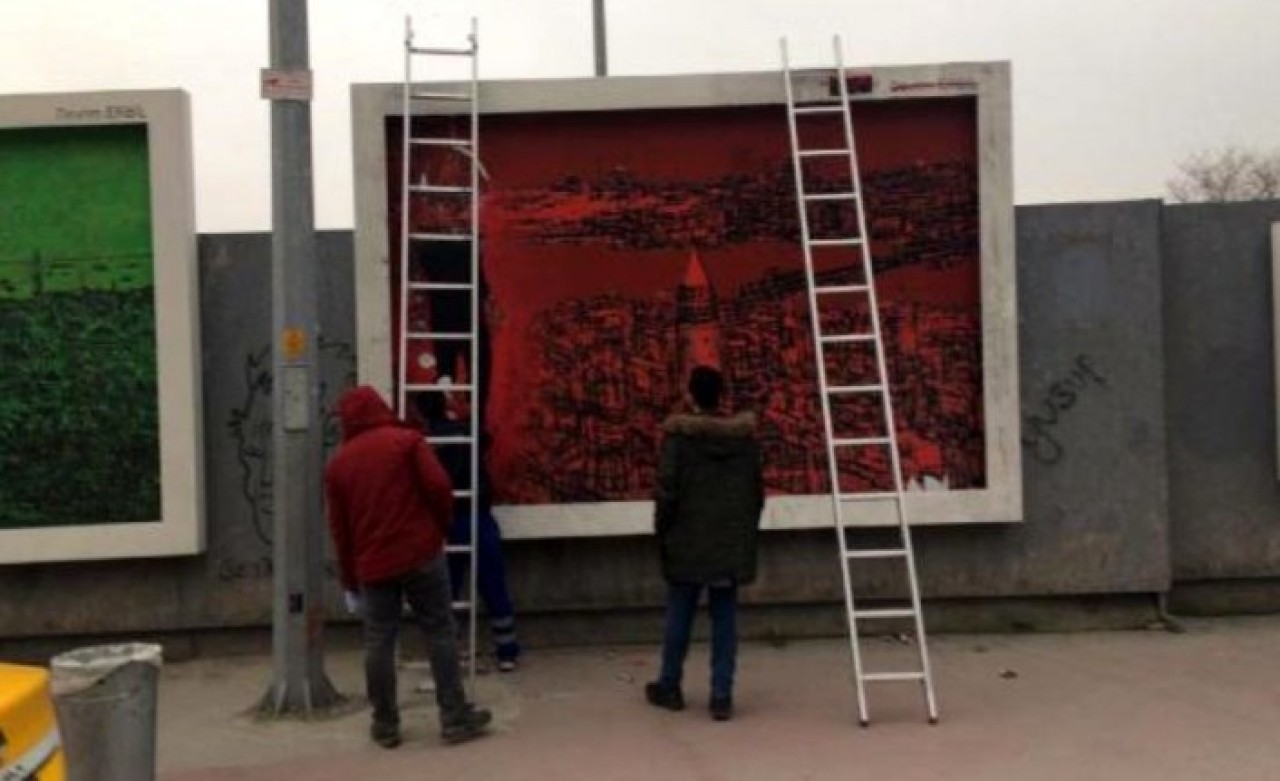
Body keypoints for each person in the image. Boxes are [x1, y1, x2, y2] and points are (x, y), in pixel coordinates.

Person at [325, 385, 491, 748]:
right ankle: (454, 716)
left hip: (373, 565)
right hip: (420, 553)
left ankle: (385, 724)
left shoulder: (338, 466)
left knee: (379, 641)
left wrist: (350, 582)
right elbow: (439, 487)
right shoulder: (407, 441)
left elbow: (340, 531)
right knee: (439, 631)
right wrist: (439, 529)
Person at [646, 365, 765, 722]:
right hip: (728, 542)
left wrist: (662, 531)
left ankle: (670, 685)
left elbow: (667, 493)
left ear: (691, 395)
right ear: (721, 396)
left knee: (679, 614)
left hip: (686, 541)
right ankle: (721, 694)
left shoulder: (678, 441)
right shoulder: (744, 441)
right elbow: (755, 494)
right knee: (724, 618)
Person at [417, 390, 521, 672]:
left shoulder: (426, 441)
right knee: (493, 584)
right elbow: (487, 438)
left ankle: (451, 652)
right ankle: (507, 651)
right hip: (479, 516)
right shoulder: (466, 433)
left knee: (447, 590)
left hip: (447, 522)